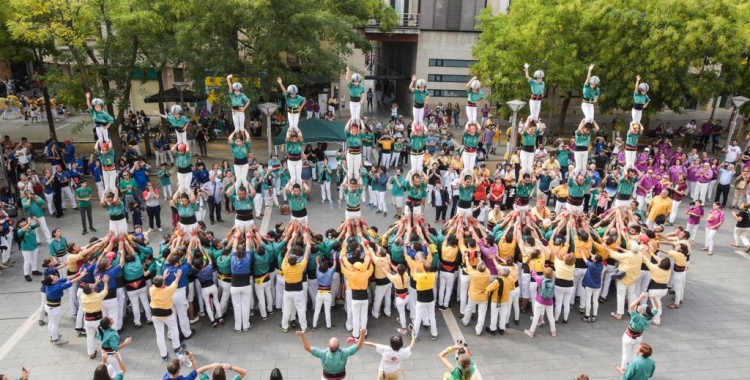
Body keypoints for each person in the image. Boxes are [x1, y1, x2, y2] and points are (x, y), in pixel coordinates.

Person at [297, 328, 365, 380]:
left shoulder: (323, 354)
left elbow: (307, 348)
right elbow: (358, 346)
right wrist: (362, 334)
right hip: (341, 377)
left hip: (327, 377)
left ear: (328, 345)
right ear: (339, 346)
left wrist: (302, 335)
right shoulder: (344, 353)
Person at [617, 292, 659, 374]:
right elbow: (656, 308)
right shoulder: (649, 315)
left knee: (626, 354)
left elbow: (631, 307)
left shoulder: (637, 318)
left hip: (628, 337)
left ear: (641, 312)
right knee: (634, 354)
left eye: (641, 307)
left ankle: (623, 368)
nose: (639, 306)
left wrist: (640, 297)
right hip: (638, 337)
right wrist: (654, 298)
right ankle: (632, 368)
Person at [149, 271, 186, 362]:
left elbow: (158, 284)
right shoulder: (168, 290)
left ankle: (164, 355)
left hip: (155, 314)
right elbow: (175, 283)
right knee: (174, 329)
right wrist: (177, 276)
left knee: (159, 334)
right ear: (163, 283)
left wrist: (163, 277)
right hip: (167, 314)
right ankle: (177, 347)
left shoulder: (152, 289)